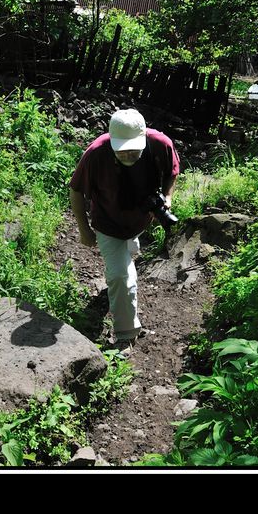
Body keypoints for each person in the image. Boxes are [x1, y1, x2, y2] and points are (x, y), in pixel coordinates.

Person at [68, 109, 180, 349]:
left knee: (126, 257)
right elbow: (76, 190)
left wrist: (167, 198)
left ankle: (125, 258)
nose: (128, 152)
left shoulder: (160, 144)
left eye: (134, 147)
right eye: (123, 148)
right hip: (107, 223)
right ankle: (126, 334)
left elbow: (172, 171)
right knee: (121, 275)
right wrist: (83, 229)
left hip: (139, 222)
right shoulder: (96, 153)